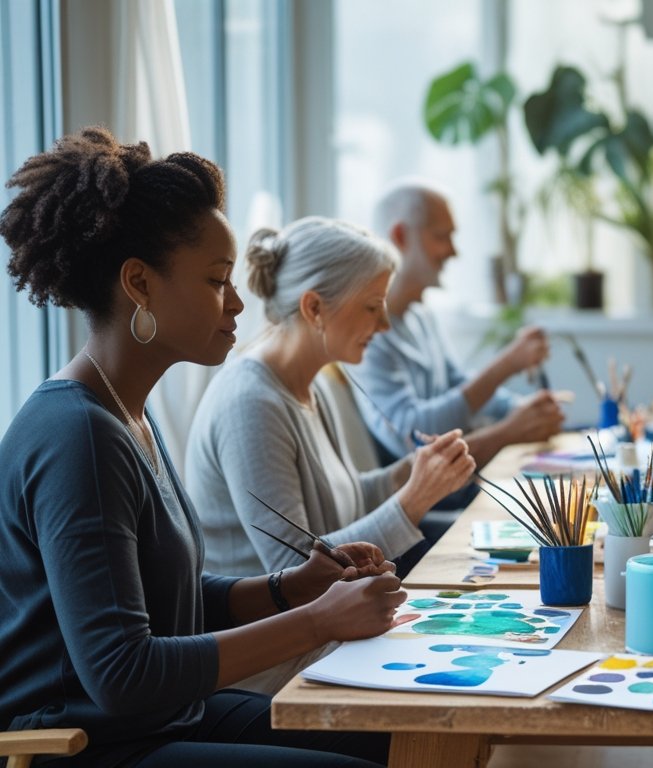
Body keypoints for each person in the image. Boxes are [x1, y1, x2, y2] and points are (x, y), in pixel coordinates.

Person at [0, 126, 402, 767]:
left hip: (161, 721)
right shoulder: (79, 436)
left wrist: (292, 587)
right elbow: (122, 671)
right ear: (139, 284)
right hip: (89, 747)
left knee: (397, 733)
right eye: (218, 281)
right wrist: (320, 621)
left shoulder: (125, 410)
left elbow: (168, 600)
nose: (239, 303)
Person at [185, 217, 476, 591]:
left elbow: (346, 500)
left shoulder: (310, 385)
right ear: (314, 308)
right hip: (283, 640)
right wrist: (414, 499)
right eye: (373, 306)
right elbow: (294, 571)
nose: (385, 323)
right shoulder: (250, 404)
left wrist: (410, 472)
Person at [349, 180, 563, 471]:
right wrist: (506, 368)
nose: (453, 252)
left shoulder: (422, 317)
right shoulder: (365, 334)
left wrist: (519, 410)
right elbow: (410, 437)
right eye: (442, 236)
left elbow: (459, 385)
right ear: (400, 236)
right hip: (430, 508)